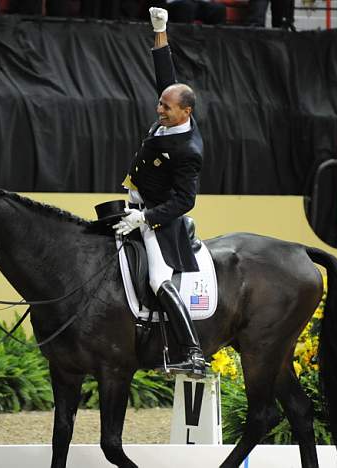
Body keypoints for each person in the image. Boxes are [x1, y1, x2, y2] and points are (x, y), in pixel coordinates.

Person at [113, 7, 206, 378]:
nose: (158, 110)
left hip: (160, 218)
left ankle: (193, 351)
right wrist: (160, 31)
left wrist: (146, 218)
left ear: (185, 112)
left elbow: (186, 200)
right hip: (134, 203)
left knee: (157, 279)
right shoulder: (173, 109)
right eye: (160, 104)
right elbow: (165, 77)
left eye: (165, 107)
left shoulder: (188, 151)